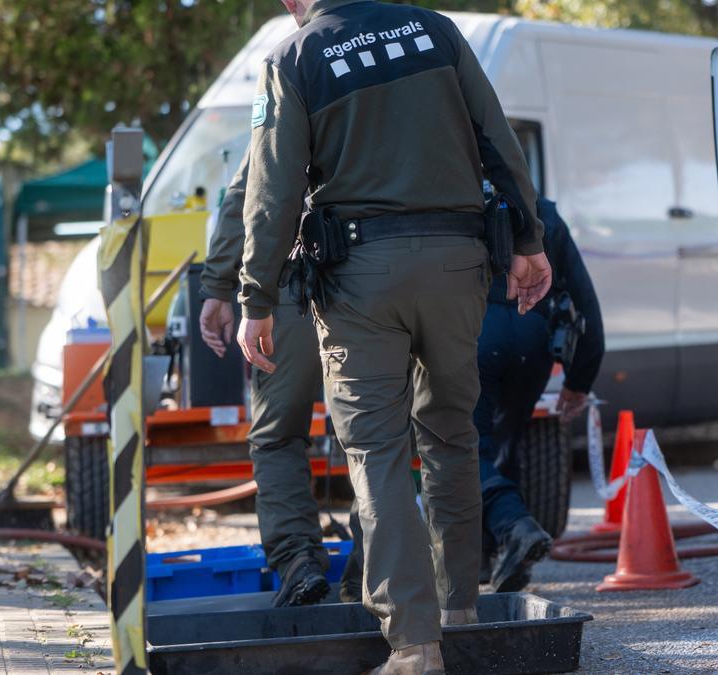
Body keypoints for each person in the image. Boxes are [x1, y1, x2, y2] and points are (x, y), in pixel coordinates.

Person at [235, 1, 552, 673]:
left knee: (377, 451)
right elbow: (496, 136)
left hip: (361, 280)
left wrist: (256, 296)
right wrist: (527, 240)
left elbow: (272, 191)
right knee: (450, 431)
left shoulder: (294, 60)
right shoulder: (434, 29)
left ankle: (414, 644)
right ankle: (460, 607)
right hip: (459, 265)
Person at [198, 153, 332, 607]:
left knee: (277, 436)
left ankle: (299, 561)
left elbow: (246, 196)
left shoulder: (291, 88)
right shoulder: (406, 89)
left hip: (297, 291)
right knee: (378, 436)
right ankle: (375, 568)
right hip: (381, 287)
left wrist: (218, 286)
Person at [476, 196, 605, 593]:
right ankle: (496, 558)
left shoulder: (449, 196)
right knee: (506, 447)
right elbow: (587, 304)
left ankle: (514, 527)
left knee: (462, 450)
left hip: (472, 336)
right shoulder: (540, 210)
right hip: (532, 341)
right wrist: (578, 381)